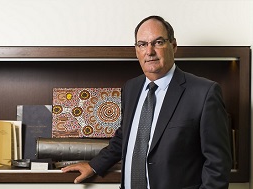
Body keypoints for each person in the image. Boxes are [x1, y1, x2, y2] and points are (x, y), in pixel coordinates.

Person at [61, 15, 232, 189]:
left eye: (158, 42)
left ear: (173, 46)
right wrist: (94, 165)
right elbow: (125, 136)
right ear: (136, 50)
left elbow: (218, 165)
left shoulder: (203, 93)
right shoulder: (131, 88)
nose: (149, 51)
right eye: (142, 44)